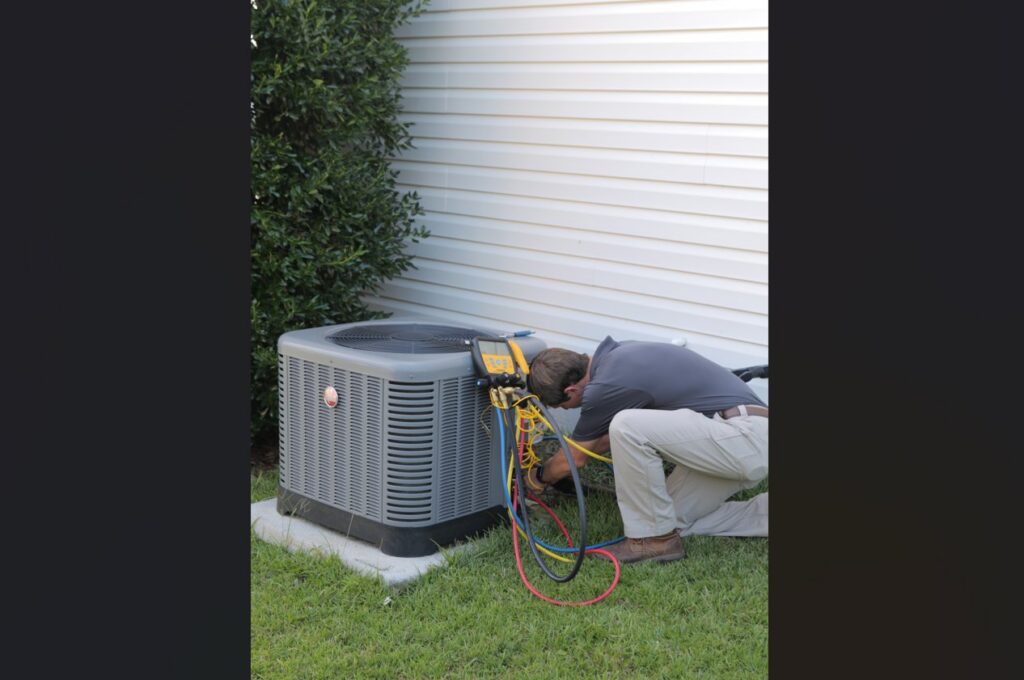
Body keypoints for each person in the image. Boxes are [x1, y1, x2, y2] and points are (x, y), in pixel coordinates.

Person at [524, 336, 768, 565]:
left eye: (562, 407)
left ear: (571, 391)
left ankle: (653, 541)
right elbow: (602, 442)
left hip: (744, 437)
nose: (566, 411)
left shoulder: (606, 385)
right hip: (730, 443)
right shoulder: (619, 357)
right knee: (669, 520)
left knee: (625, 424)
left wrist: (536, 479)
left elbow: (575, 457)